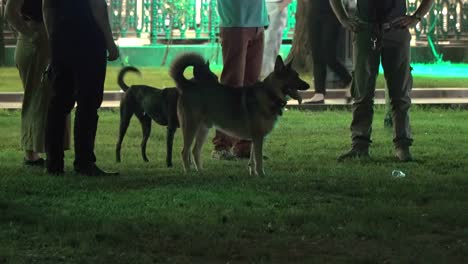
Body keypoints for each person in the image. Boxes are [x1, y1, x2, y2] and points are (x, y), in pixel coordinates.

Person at [331, 0, 434, 161]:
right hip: (366, 29)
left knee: (399, 92)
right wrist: (343, 18)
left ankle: (402, 146)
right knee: (362, 92)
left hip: (395, 30)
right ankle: (360, 145)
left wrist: (417, 16)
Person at [43, 0, 119, 175]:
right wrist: (110, 42)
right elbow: (97, 7)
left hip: (61, 38)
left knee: (58, 103)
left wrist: (52, 38)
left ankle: (54, 163)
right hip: (88, 39)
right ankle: (84, 161)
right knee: (88, 103)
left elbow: (46, 6)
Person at [5, 0, 70, 167]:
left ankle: (38, 152)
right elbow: (10, 12)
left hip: (40, 39)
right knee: (39, 99)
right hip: (37, 42)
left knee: (44, 98)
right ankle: (34, 153)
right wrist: (32, 34)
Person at [212, 0, 269, 160]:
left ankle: (245, 145)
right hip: (236, 20)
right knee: (232, 86)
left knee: (251, 88)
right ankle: (222, 145)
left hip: (257, 20)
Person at [305, 0, 353, 104]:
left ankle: (349, 81)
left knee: (329, 56)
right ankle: (319, 92)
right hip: (314, 11)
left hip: (333, 12)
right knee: (317, 54)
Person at [260, 0, 293, 80]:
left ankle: (267, 76)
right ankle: (263, 76)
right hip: (264, 5)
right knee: (263, 43)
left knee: (270, 44)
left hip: (277, 5)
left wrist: (282, 6)